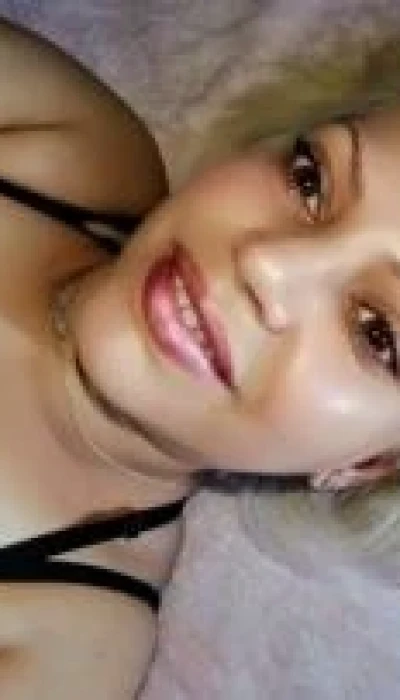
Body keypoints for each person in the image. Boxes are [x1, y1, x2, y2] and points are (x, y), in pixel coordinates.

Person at [0, 15, 400, 700]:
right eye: (310, 178)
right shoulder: (70, 142)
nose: (266, 264)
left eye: (379, 334)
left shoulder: (61, 642)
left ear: (366, 464)